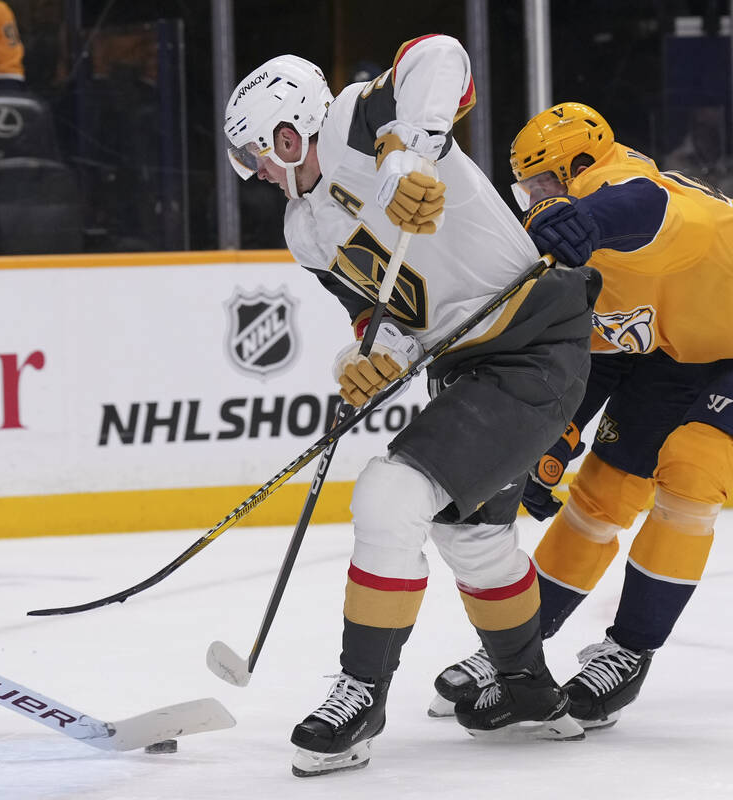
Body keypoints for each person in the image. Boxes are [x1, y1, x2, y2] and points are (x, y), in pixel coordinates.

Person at [223, 39, 600, 777]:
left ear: (288, 130)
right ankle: (527, 690)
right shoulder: (305, 229)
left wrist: (407, 154)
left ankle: (361, 695)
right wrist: (375, 360)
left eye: (258, 152)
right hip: (465, 363)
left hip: (532, 343)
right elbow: (382, 313)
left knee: (391, 494)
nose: (258, 170)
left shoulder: (354, 125)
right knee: (473, 540)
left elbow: (441, 54)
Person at [431, 101, 733, 730]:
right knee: (598, 496)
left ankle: (629, 649)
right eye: (525, 189)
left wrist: (581, 216)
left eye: (540, 183)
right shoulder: (584, 253)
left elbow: (642, 204)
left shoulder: (634, 193)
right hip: (677, 352)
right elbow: (602, 357)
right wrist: (558, 439)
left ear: (578, 167)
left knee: (689, 477)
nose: (532, 200)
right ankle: (517, 648)